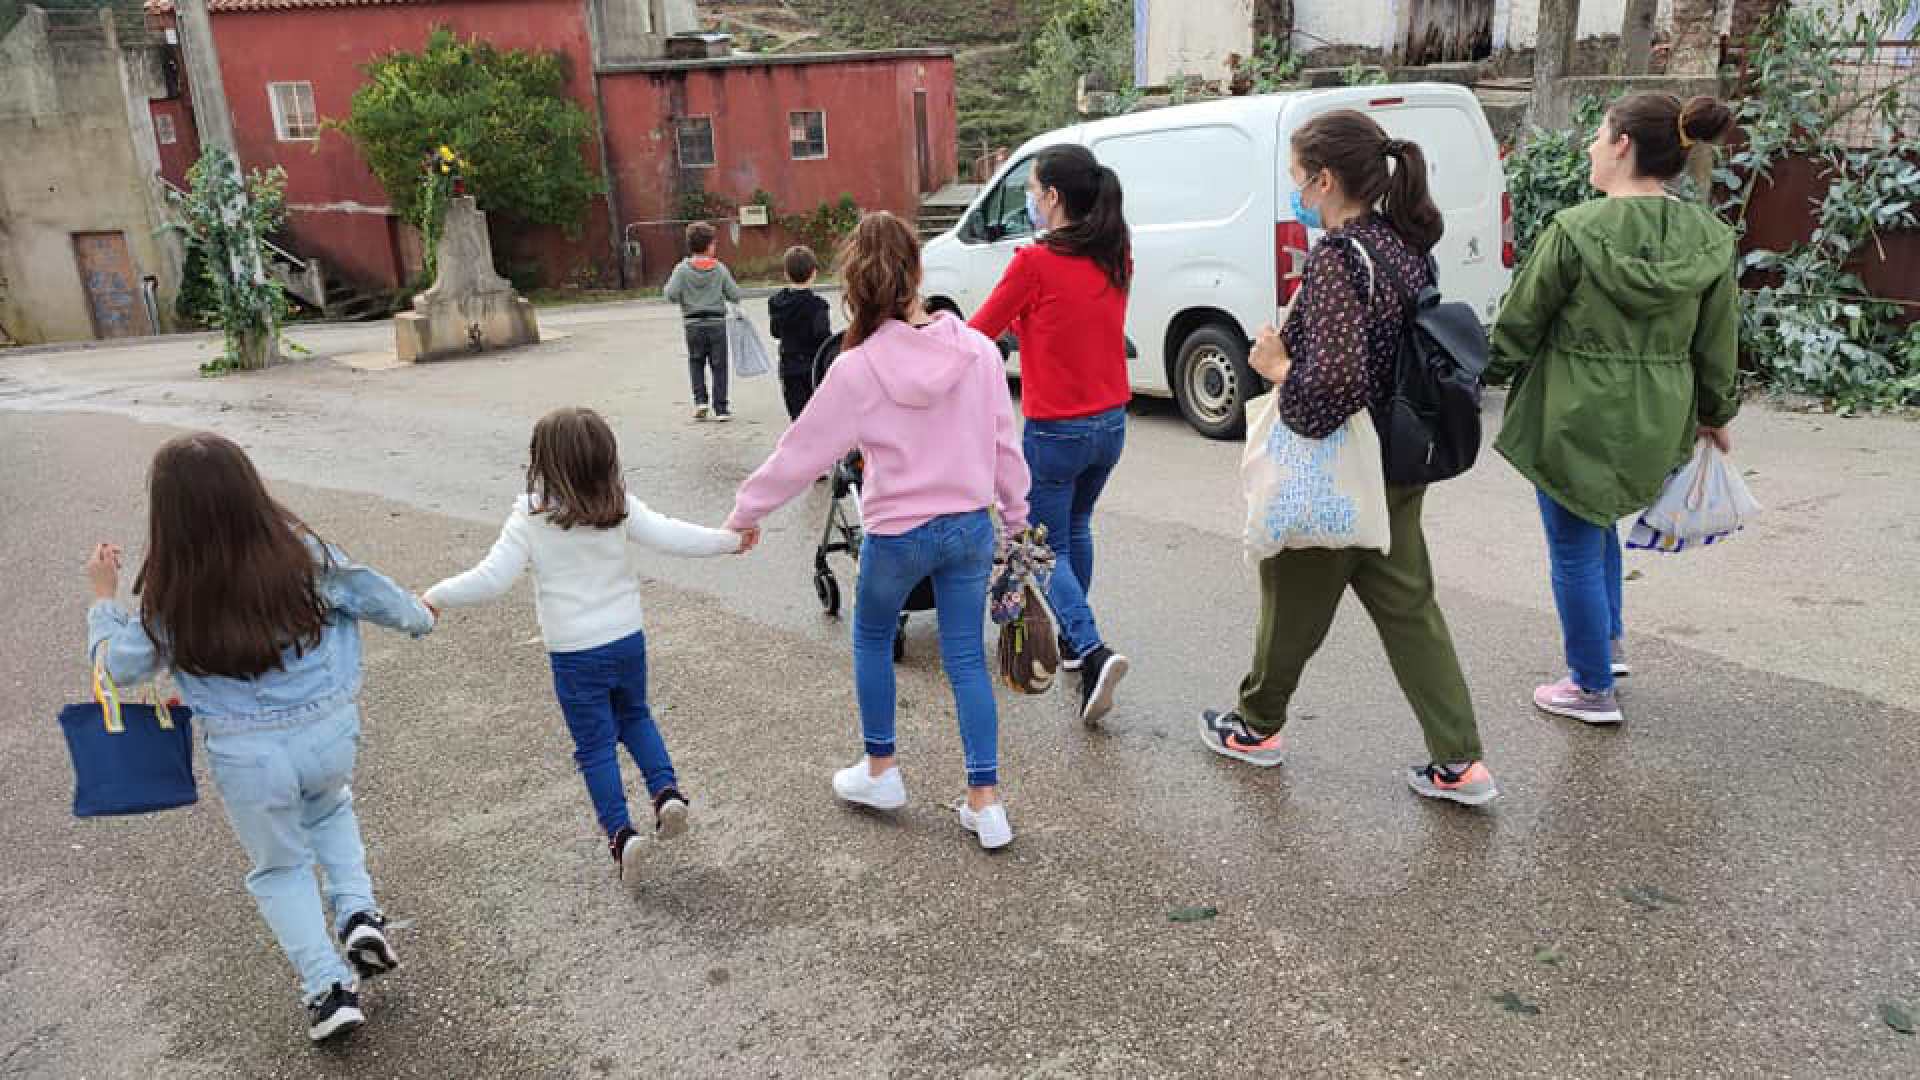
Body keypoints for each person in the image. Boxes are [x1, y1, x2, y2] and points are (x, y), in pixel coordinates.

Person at [85, 433, 435, 1042]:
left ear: (167, 516)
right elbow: (369, 592)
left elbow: (114, 670)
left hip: (247, 757)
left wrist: (102, 600)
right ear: (250, 489)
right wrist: (421, 616)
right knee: (330, 807)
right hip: (327, 732)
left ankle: (329, 990)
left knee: (280, 867)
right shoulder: (300, 554)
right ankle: (356, 912)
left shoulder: (171, 592)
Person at [1196, 110, 1498, 807]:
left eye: (1298, 180)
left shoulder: (1338, 257)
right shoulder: (1404, 245)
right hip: (1399, 461)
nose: (1295, 193)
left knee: (1289, 601)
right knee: (1411, 612)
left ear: (1325, 180)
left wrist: (1275, 367)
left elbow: (1333, 383)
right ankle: (1461, 762)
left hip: (1338, 466)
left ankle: (1256, 725)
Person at [727, 211, 1031, 851]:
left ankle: (882, 769)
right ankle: (987, 802)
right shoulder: (977, 350)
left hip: (900, 536)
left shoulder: (857, 368)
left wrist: (746, 510)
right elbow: (1006, 446)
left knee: (870, 635)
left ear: (855, 286)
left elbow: (799, 453)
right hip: (970, 529)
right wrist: (1017, 516)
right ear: (918, 273)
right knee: (965, 660)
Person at [1487, 93, 1739, 726]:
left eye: (1600, 135)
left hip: (1573, 412)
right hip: (1660, 413)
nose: (1592, 146)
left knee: (1573, 542)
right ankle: (1609, 647)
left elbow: (1520, 323)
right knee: (1597, 524)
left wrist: (1472, 375)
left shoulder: (1576, 229)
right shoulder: (1710, 238)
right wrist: (1715, 413)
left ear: (1624, 145)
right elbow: (1717, 340)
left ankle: (1590, 686)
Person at [422, 408, 749, 883]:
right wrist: (730, 541)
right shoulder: (617, 504)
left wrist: (436, 595)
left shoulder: (531, 518)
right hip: (626, 639)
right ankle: (666, 792)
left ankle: (621, 835)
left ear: (543, 462)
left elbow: (491, 579)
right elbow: (674, 536)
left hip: (575, 653)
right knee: (636, 717)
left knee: (595, 746)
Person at [969, 143, 1132, 725]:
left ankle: (1091, 651)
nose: (1031, 203)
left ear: (1054, 197)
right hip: (1112, 424)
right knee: (1075, 530)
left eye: (1034, 192)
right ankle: (1070, 642)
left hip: (1057, 429)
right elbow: (1067, 318)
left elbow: (977, 334)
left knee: (1043, 549)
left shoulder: (1032, 263)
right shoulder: (1116, 253)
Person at [663, 221, 743, 422]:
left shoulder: (682, 269)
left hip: (692, 324)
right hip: (716, 323)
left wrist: (685, 298)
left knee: (696, 362)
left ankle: (700, 401)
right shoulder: (720, 269)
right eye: (714, 244)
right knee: (719, 366)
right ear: (709, 246)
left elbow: (670, 294)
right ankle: (721, 408)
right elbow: (735, 294)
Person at [768, 244, 833, 421]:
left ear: (786, 273)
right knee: (816, 413)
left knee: (796, 414)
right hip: (812, 365)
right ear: (813, 272)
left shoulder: (776, 302)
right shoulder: (818, 305)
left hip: (788, 365)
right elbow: (823, 337)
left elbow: (775, 332)